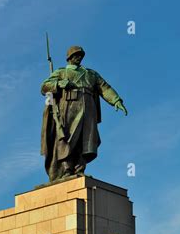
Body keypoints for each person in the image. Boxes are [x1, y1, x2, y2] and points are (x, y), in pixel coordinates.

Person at [40, 45, 127, 182]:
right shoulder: (62, 72)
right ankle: (67, 169)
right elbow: (45, 86)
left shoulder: (90, 74)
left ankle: (79, 169)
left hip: (88, 107)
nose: (79, 57)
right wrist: (60, 84)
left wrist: (116, 100)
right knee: (68, 138)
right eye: (76, 55)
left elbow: (104, 87)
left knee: (85, 139)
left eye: (80, 55)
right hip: (69, 107)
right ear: (69, 58)